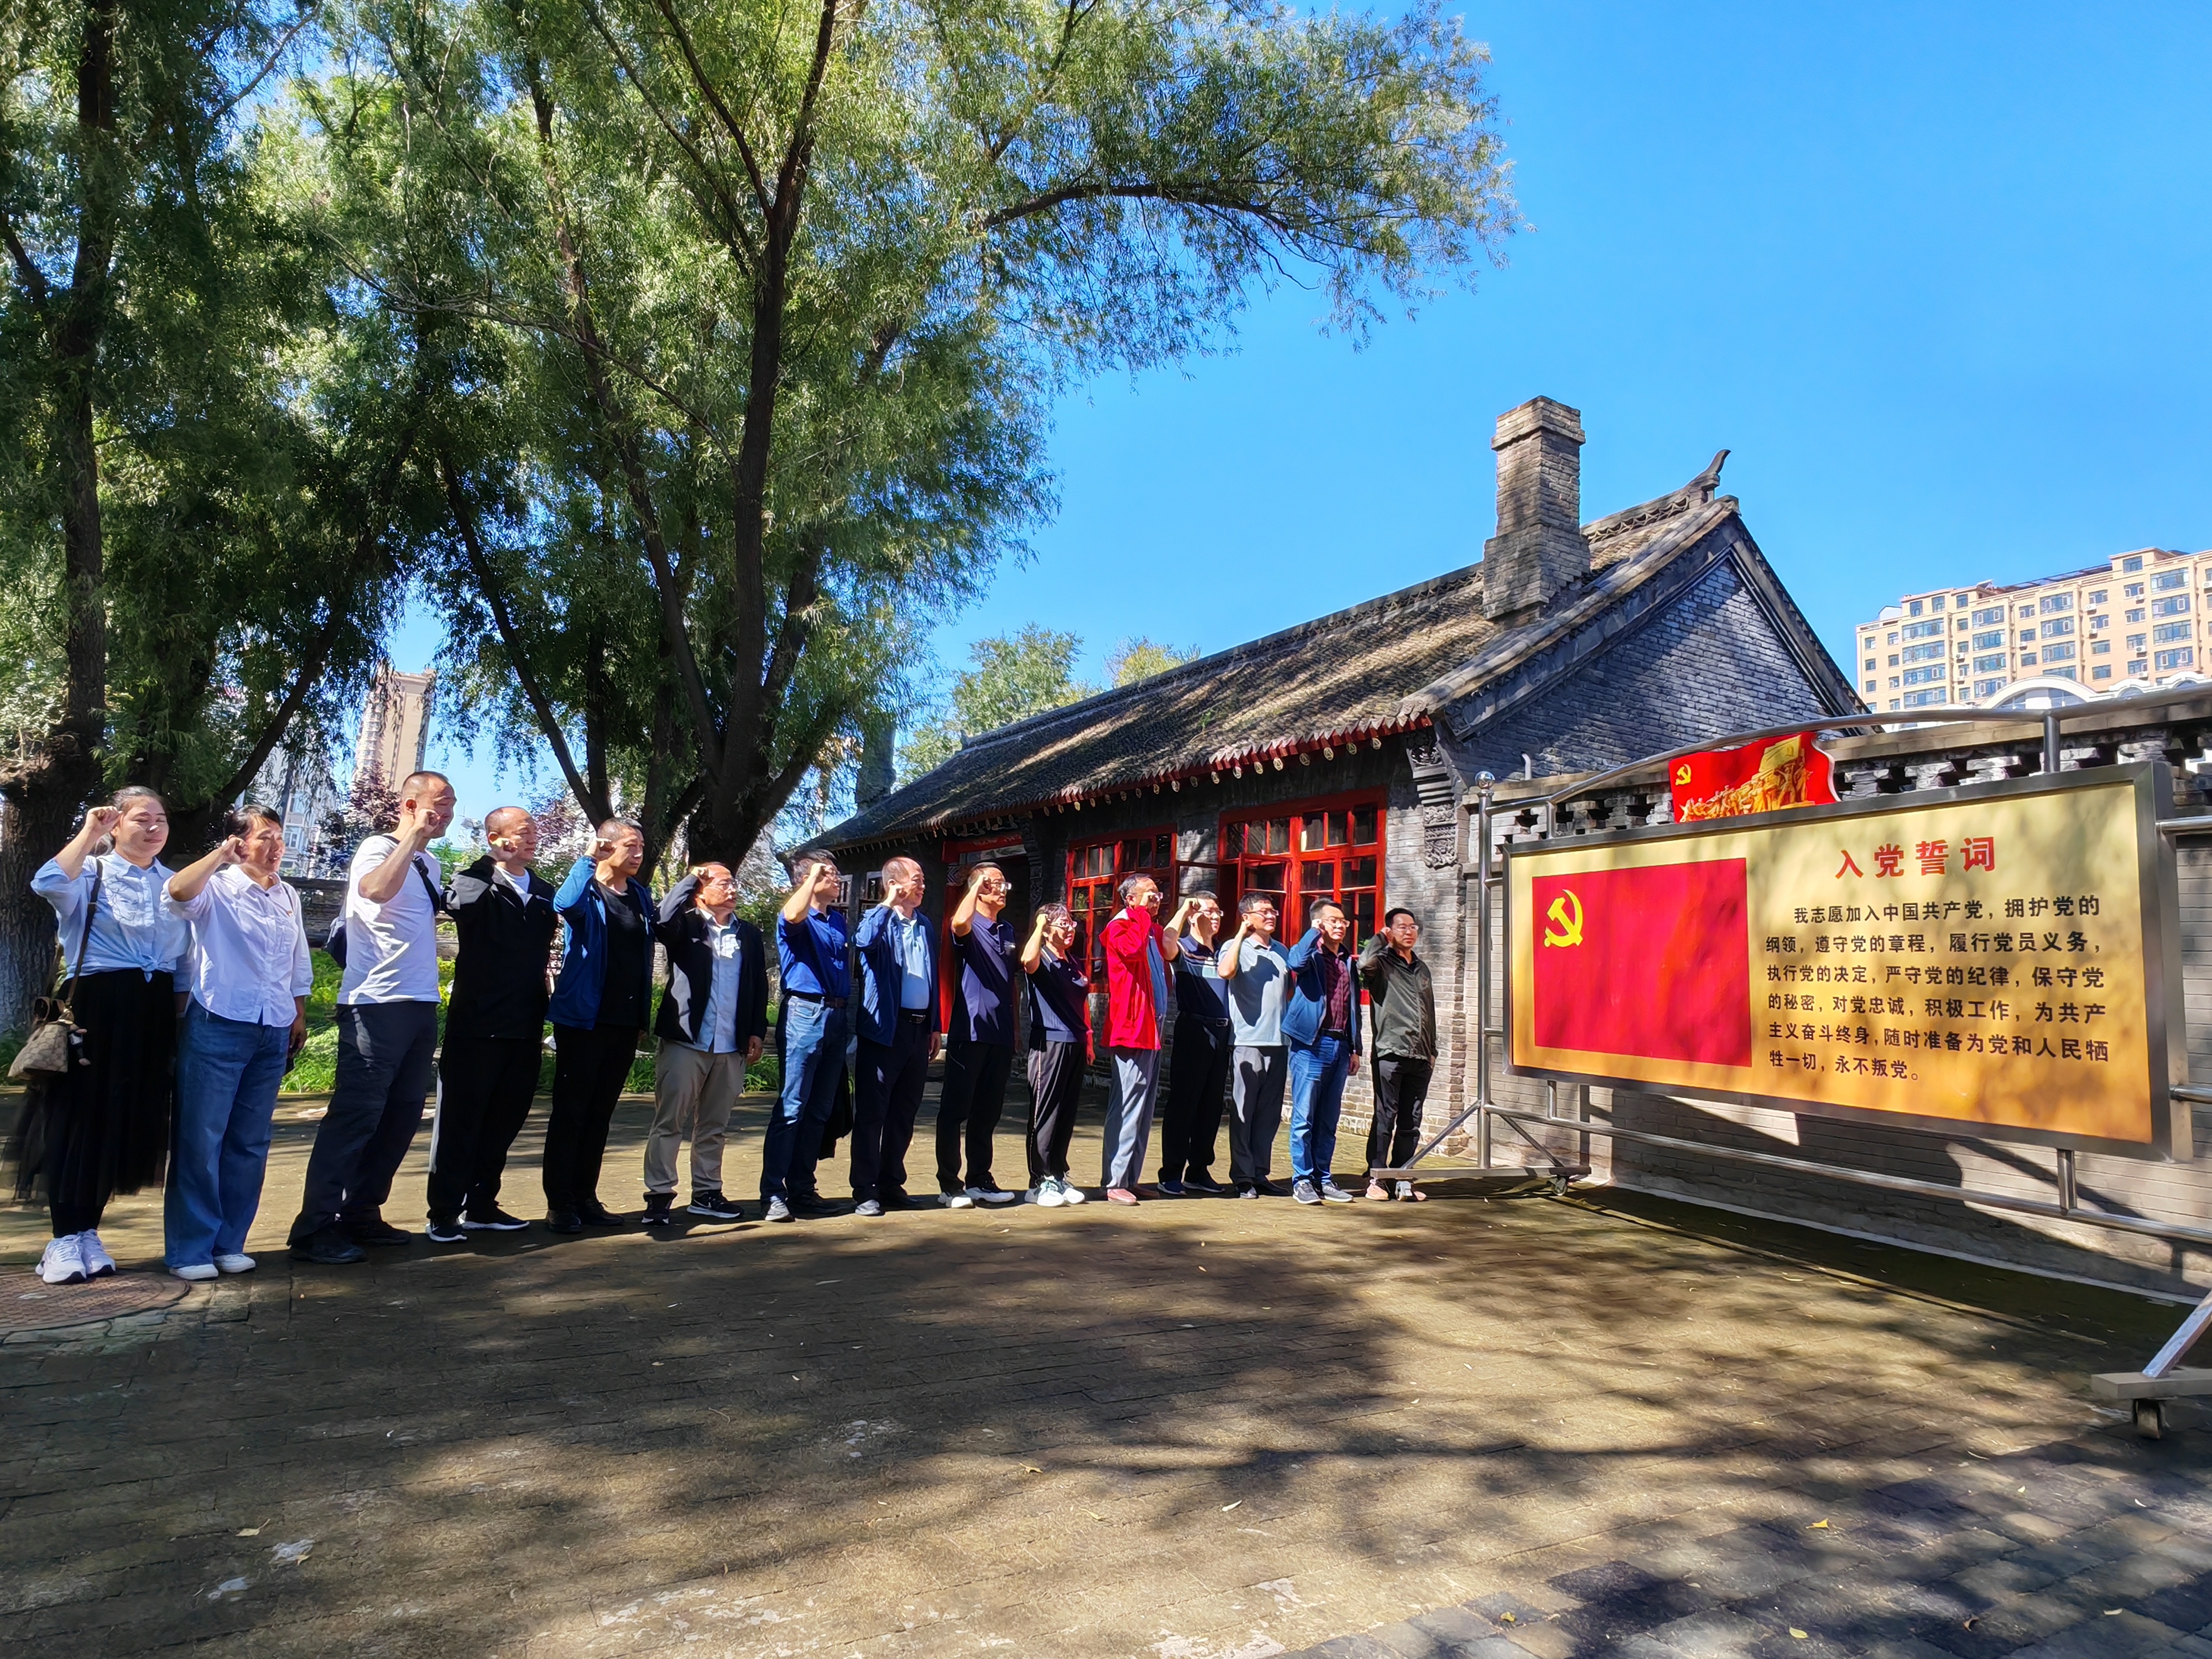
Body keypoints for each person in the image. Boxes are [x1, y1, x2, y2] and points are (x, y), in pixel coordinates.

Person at [13, 790, 187, 1285]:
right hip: (96, 1005)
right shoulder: (93, 872)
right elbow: (46, 881)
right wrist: (90, 832)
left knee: (124, 1120)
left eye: (161, 820)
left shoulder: (172, 883)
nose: (153, 829)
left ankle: (88, 1231)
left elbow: (183, 962)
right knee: (80, 1119)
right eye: (141, 819)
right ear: (117, 824)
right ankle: (62, 1238)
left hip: (152, 1011)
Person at [288, 770, 456, 1265]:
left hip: (420, 1002)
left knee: (401, 1117)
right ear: (410, 805)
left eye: (451, 804)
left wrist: (421, 846)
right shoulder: (378, 848)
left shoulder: (431, 863)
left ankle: (362, 1212)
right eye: (439, 803)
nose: (446, 813)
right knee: (356, 1116)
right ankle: (314, 1228)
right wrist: (413, 837)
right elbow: (377, 891)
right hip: (376, 1003)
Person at [161, 806, 312, 1280]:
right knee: (201, 1137)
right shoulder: (217, 888)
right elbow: (177, 892)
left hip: (272, 1026)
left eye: (279, 837)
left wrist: (298, 1012)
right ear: (238, 842)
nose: (275, 846)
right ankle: (191, 1250)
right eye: (264, 837)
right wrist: (219, 857)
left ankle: (231, 1242)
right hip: (220, 1021)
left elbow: (298, 958)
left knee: (250, 1141)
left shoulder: (287, 894)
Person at [425, 806, 560, 1241]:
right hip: (477, 1024)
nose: (533, 837)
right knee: (461, 1121)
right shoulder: (477, 881)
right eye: (523, 831)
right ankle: (444, 1211)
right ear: (496, 837)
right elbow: (457, 903)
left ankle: (482, 1205)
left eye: (534, 831)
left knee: (505, 1120)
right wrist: (488, 863)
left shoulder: (543, 891)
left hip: (525, 1024)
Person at [540, 819, 657, 1233]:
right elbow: (564, 905)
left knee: (600, 1114)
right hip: (583, 1018)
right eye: (631, 845)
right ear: (606, 846)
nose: (639, 853)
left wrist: (641, 1018)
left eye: (642, 845)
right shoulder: (587, 890)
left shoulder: (640, 895)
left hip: (623, 1021)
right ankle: (560, 1204)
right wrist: (588, 859)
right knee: (572, 1112)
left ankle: (586, 1197)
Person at [643, 861, 767, 1224]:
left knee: (714, 1126)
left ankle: (707, 1193)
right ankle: (659, 1195)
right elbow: (660, 921)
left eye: (734, 883)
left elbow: (758, 985)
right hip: (687, 1041)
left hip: (730, 1045)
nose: (732, 889)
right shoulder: (686, 926)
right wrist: (690, 878)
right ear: (700, 891)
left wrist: (756, 1031)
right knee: (670, 1121)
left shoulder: (748, 934)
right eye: (723, 883)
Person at [764, 853, 849, 1223]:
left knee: (819, 1110)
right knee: (792, 1106)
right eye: (828, 874)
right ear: (807, 880)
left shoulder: (838, 921)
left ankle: (802, 1188)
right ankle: (773, 1193)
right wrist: (812, 876)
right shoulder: (798, 916)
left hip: (836, 1015)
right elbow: (791, 916)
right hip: (804, 1013)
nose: (837, 879)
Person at [850, 857, 938, 1218]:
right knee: (873, 1113)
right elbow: (863, 942)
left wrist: (934, 1025)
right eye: (916, 880)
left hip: (918, 1030)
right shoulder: (878, 920)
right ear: (894, 883)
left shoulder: (925, 925)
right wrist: (888, 903)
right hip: (885, 1029)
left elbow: (931, 975)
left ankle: (891, 1183)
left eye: (923, 880)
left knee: (905, 1112)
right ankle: (864, 1189)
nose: (922, 886)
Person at [1098, 875, 1187, 1204]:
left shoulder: (1148, 927)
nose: (1156, 899)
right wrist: (1140, 914)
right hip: (1132, 1029)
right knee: (1127, 1104)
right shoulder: (1121, 926)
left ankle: (1131, 1177)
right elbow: (1132, 951)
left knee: (1145, 1107)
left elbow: (1168, 951)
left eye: (1157, 893)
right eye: (1149, 894)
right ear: (1130, 899)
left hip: (1152, 1028)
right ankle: (1114, 1180)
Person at [937, 864, 1020, 1208]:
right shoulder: (969, 923)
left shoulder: (1008, 929)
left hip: (1000, 1034)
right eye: (993, 884)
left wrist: (1015, 1030)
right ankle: (949, 1184)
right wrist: (974, 886)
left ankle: (980, 1179)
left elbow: (1011, 982)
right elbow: (958, 924)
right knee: (955, 1110)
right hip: (970, 1031)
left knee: (988, 1112)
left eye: (1003, 883)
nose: (1001, 889)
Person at [1284, 898, 1363, 1206]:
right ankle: (1302, 1180)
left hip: (1340, 1046)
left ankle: (1323, 1178)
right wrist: (1313, 933)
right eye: (1333, 921)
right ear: (1319, 923)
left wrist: (1355, 1048)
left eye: (1343, 921)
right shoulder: (1311, 955)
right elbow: (1294, 963)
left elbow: (1352, 1007)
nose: (1340, 926)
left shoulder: (1347, 960)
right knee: (1305, 1116)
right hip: (1311, 1045)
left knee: (1329, 1119)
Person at [1158, 889, 1232, 1196]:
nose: (1215, 917)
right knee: (1184, 1103)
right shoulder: (1184, 947)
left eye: (1218, 912)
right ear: (1192, 916)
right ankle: (1171, 1172)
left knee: (1212, 1106)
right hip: (1194, 1030)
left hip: (1222, 1033)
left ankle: (1199, 1171)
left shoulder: (1224, 951)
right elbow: (1165, 944)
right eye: (1208, 911)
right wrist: (1183, 911)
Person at [1360, 907, 1437, 1202]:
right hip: (1391, 1052)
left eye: (1413, 927)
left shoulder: (1421, 968)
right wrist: (1380, 939)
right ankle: (1377, 1177)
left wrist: (1432, 1051)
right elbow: (1364, 963)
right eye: (1402, 927)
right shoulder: (1381, 963)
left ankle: (1402, 1176)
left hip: (1421, 1055)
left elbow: (1429, 1011)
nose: (1409, 932)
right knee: (1385, 1117)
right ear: (1390, 931)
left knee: (1411, 1122)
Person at [1218, 891, 1290, 1199]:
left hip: (1279, 1042)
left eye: (1273, 911)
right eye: (1264, 911)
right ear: (1247, 917)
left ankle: (1260, 1173)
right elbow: (1225, 972)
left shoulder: (1282, 950)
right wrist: (1240, 935)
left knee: (1269, 1115)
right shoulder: (1234, 947)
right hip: (1247, 1042)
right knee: (1244, 1112)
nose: (1271, 915)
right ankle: (1243, 1177)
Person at [1019, 902, 1092, 1208]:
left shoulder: (1072, 961)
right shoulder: (1041, 957)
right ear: (1047, 930)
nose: (1070, 928)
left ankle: (1058, 1174)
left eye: (1071, 923)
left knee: (1066, 1113)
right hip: (1049, 1043)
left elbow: (1082, 1002)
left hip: (1076, 1042)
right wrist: (1039, 925)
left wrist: (1088, 1039)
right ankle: (1040, 1180)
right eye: (1062, 924)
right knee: (1045, 1112)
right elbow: (1026, 960)